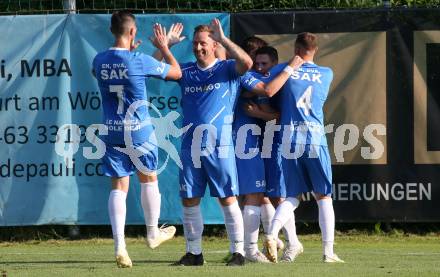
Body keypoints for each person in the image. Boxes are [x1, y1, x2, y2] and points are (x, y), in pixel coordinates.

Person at [92, 11, 182, 268]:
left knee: (119, 187)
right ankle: (153, 232)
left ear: (112, 30)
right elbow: (175, 72)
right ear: (132, 33)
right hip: (139, 130)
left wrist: (136, 55)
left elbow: (126, 70)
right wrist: (165, 47)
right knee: (148, 177)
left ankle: (120, 245)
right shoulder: (138, 59)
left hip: (112, 129)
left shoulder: (100, 60)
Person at [169, 19, 253, 266]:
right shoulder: (185, 71)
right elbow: (153, 68)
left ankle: (238, 252)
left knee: (227, 198)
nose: (197, 47)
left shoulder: (227, 68)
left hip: (220, 146)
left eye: (203, 43)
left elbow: (247, 63)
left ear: (214, 44)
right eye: (195, 43)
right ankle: (194, 253)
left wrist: (224, 39)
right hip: (190, 146)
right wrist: (167, 46)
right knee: (189, 199)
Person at [261, 32, 344, 263]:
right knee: (323, 196)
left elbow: (267, 90)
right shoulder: (326, 73)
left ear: (296, 48)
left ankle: (271, 233)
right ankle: (328, 253)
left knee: (292, 196)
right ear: (315, 50)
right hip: (315, 139)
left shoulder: (281, 71)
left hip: (289, 139)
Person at [244, 46, 304, 262]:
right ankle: (278, 240)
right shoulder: (258, 82)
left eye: (264, 64)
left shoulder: (279, 85)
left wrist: (258, 113)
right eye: (257, 64)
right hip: (263, 142)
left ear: (275, 64)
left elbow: (280, 116)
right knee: (267, 195)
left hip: (279, 142)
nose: (260, 68)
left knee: (279, 195)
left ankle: (293, 242)